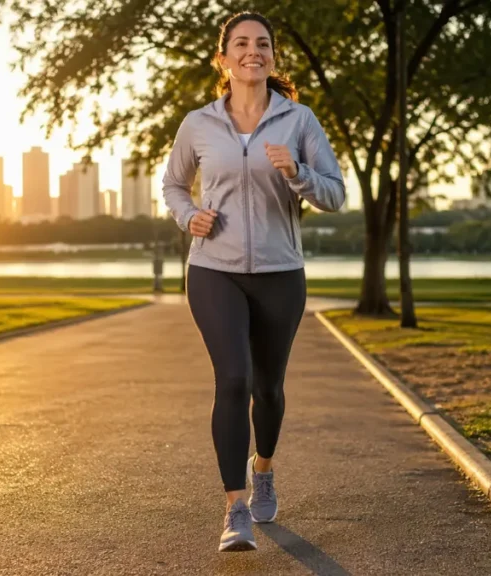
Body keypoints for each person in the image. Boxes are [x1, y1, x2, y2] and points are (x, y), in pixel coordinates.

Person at [161, 11, 346, 552]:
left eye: (262, 43)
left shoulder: (299, 120)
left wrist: (298, 173)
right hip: (213, 270)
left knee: (268, 389)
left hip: (280, 273)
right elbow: (173, 184)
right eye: (240, 44)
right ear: (223, 59)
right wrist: (188, 216)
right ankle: (235, 509)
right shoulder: (198, 123)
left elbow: (335, 194)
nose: (252, 51)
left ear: (272, 56)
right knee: (233, 379)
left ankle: (262, 467)